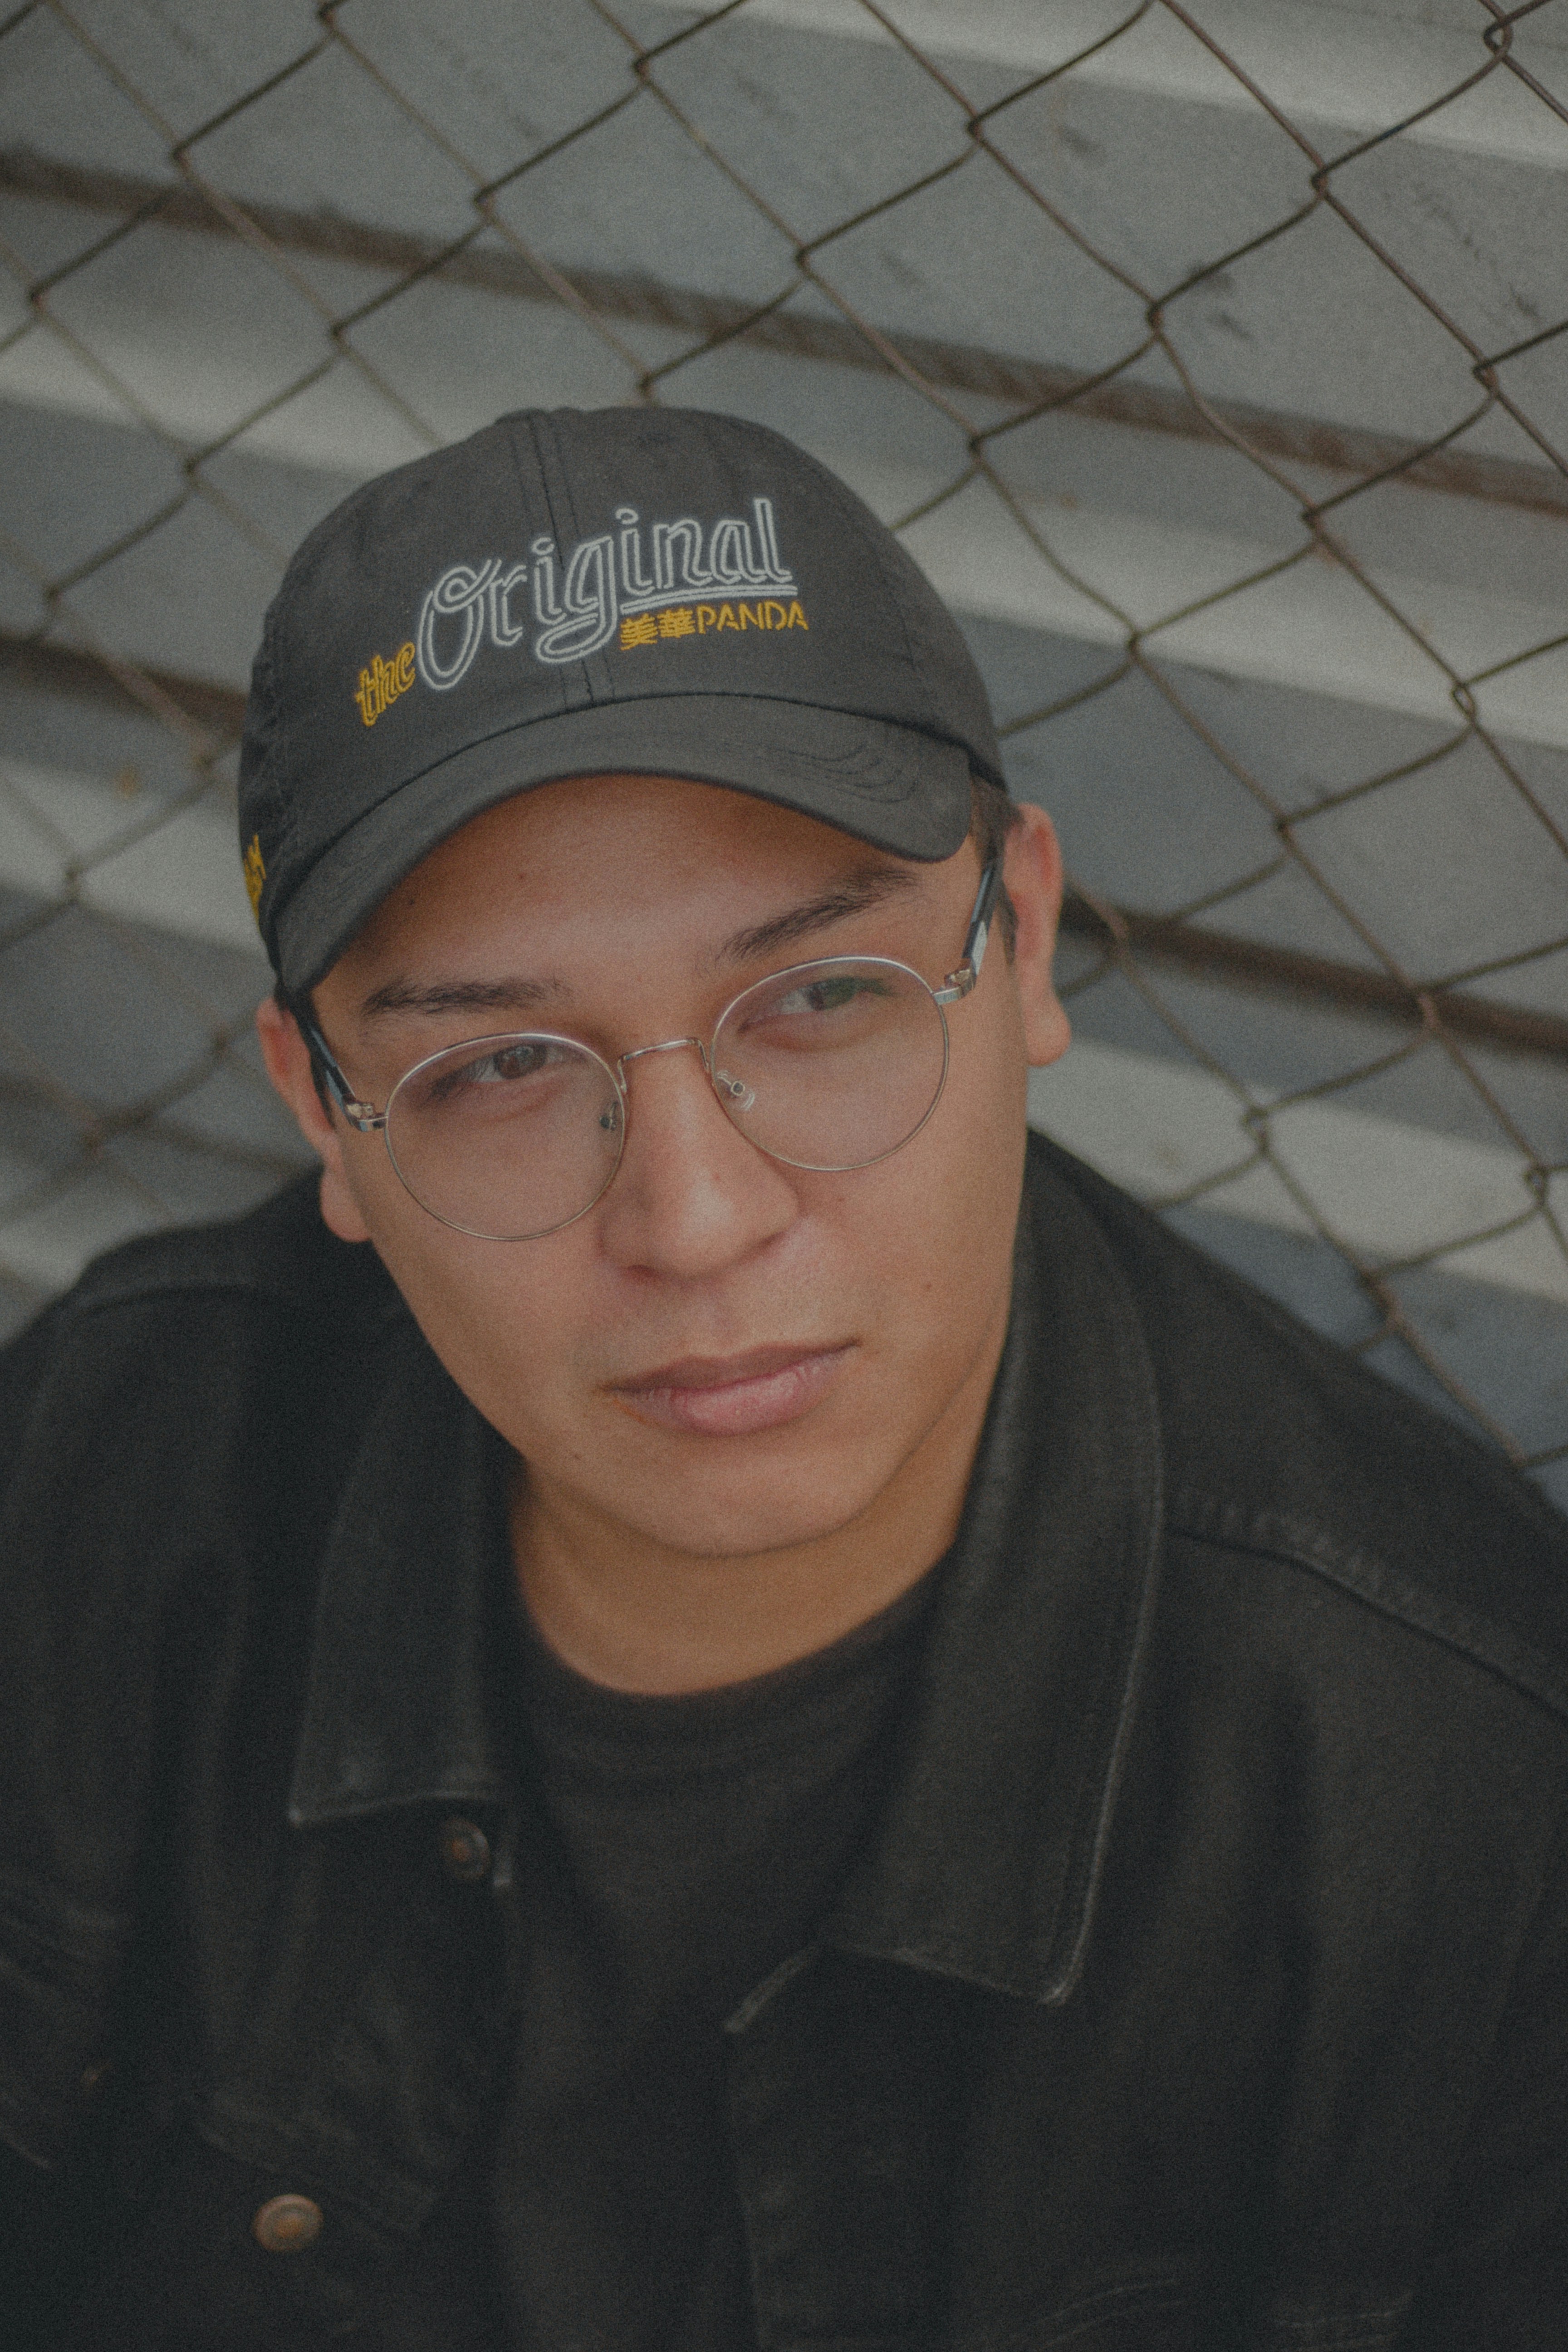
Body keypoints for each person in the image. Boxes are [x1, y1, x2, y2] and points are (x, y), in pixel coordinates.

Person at [3, 405, 1566, 2352]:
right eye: (500, 1065)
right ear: (322, 1116)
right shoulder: (105, 1470)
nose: (697, 1218)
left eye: (821, 999)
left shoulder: (1464, 1811)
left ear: (1025, 945)